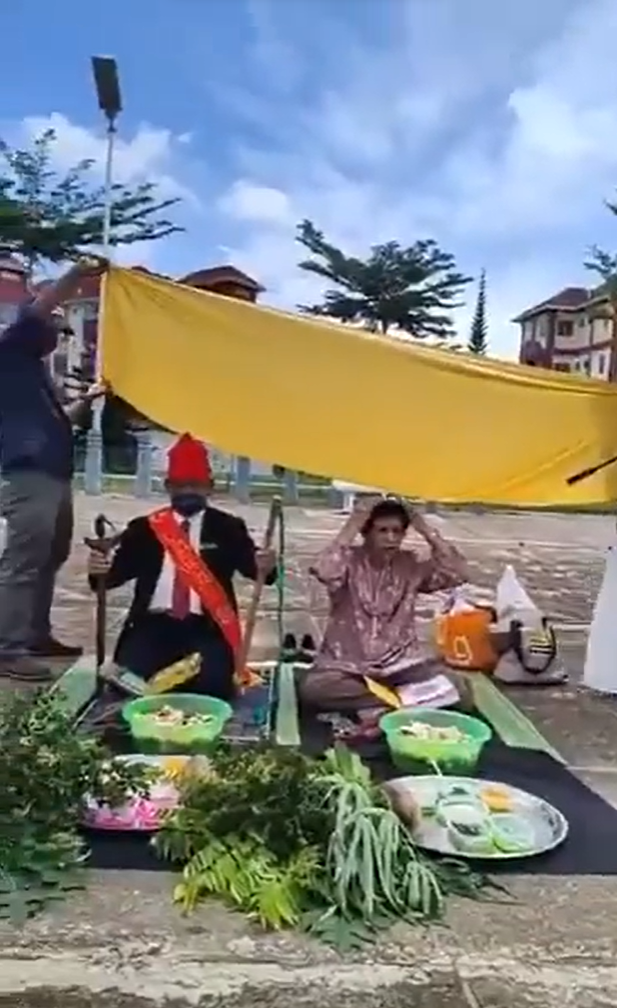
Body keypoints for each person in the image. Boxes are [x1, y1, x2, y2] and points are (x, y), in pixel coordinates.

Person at [87, 433, 277, 701]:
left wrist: (265, 564)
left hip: (207, 628)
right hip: (151, 625)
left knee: (213, 689)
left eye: (195, 485)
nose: (188, 491)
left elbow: (258, 573)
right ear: (168, 486)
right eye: (180, 485)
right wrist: (99, 570)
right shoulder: (144, 528)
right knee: (125, 686)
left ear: (209, 486)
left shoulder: (228, 527)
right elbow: (110, 578)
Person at [0, 257, 108, 682]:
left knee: (50, 557)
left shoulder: (35, 374)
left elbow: (60, 417)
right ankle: (7, 648)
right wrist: (76, 274)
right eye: (56, 326)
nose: (58, 335)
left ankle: (34, 634)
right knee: (24, 561)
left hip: (53, 474)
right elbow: (36, 310)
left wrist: (91, 399)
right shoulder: (10, 353)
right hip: (29, 476)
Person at [300, 496, 468, 726]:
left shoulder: (410, 565)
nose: (391, 538)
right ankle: (403, 703)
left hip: (400, 665)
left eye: (397, 531)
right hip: (348, 666)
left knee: (459, 687)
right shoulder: (348, 561)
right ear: (366, 533)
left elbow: (457, 573)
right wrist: (353, 523)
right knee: (314, 689)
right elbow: (324, 569)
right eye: (382, 530)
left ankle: (382, 705)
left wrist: (425, 529)